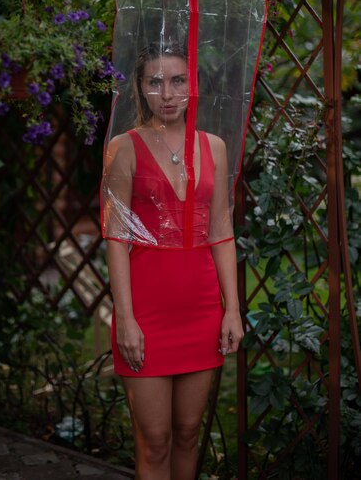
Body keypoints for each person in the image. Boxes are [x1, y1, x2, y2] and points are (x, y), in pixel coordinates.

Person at [102, 42, 244, 480]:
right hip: (146, 312)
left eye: (178, 80)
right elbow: (116, 236)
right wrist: (124, 317)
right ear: (141, 89)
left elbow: (220, 230)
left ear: (192, 85)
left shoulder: (214, 147)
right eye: (155, 82)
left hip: (201, 310)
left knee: (186, 433)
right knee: (156, 440)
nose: (167, 93)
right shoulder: (122, 149)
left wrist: (232, 309)